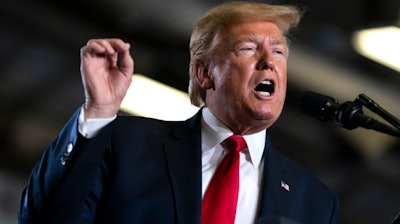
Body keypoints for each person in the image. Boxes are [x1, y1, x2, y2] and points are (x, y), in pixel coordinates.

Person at [18, 1, 340, 224]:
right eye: (248, 49)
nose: (269, 61)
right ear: (204, 74)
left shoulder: (315, 204)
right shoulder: (125, 145)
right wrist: (98, 111)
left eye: (279, 51)